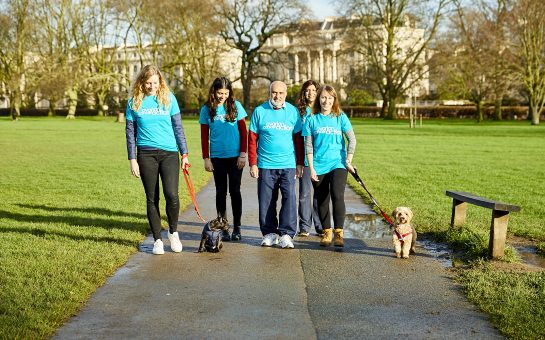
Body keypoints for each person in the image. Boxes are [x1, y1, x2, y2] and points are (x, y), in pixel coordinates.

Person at [125, 64, 189, 255]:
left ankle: (173, 232)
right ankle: (157, 240)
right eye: (148, 83)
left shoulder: (169, 99)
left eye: (155, 82)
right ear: (142, 83)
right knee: (152, 198)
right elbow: (130, 133)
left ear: (160, 81)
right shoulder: (133, 103)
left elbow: (178, 128)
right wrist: (132, 159)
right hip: (146, 154)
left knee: (172, 195)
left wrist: (184, 154)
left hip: (169, 153)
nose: (152, 86)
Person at [248, 80, 305, 249]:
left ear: (285, 95)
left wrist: (300, 163)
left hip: (288, 164)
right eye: (274, 92)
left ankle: (286, 234)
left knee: (289, 199)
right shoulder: (259, 111)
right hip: (265, 164)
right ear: (270, 93)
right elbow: (252, 140)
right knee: (267, 200)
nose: (277, 96)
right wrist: (253, 163)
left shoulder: (293, 112)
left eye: (281, 93)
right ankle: (269, 233)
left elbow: (298, 140)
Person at [303, 84, 356, 248]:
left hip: (338, 163)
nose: (326, 101)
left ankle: (339, 233)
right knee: (322, 198)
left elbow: (352, 140)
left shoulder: (340, 117)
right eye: (323, 97)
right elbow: (309, 146)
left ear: (334, 100)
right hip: (318, 165)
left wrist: (348, 160)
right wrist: (311, 168)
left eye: (330, 98)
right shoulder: (311, 119)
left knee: (337, 194)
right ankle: (327, 232)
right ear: (319, 99)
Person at [199, 77, 248, 241]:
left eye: (226, 93)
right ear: (214, 91)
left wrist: (243, 154)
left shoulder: (235, 106)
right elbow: (204, 135)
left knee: (235, 191)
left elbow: (243, 132)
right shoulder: (207, 109)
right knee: (221, 192)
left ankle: (237, 228)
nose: (223, 96)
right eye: (220, 92)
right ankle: (223, 226)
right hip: (217, 157)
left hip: (235, 157)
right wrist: (206, 158)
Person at [295, 80, 323, 237]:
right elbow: (297, 136)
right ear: (303, 93)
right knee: (305, 193)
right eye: (307, 90)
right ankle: (305, 226)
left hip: (321, 159)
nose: (310, 93)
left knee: (320, 194)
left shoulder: (323, 110)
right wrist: (298, 160)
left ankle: (320, 227)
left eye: (313, 90)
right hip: (305, 159)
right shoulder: (299, 112)